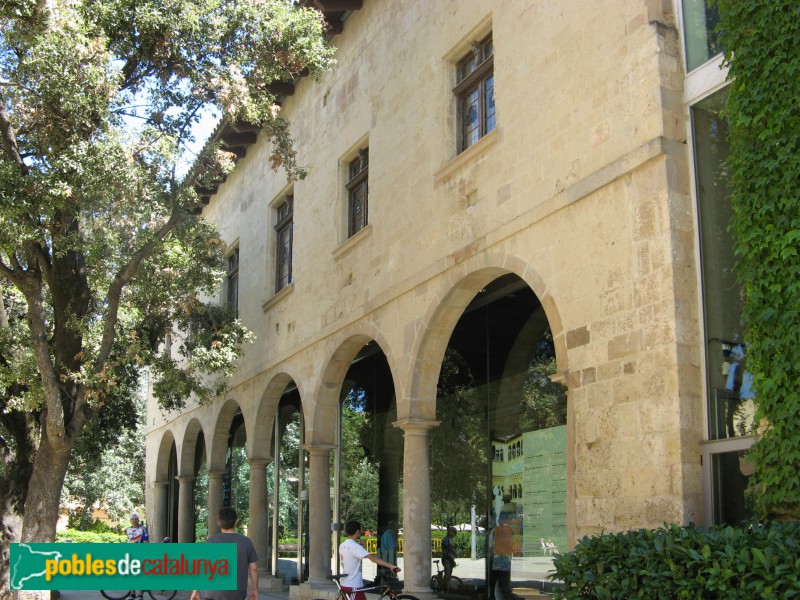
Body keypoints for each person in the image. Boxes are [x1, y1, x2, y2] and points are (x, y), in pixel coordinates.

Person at [191, 507, 258, 600]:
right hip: (237, 595)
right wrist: (254, 590)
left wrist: (195, 591)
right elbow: (253, 569)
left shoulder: (210, 542)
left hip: (213, 594)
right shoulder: (246, 542)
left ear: (219, 522)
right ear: (236, 522)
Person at [339, 520, 400, 600]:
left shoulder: (343, 545)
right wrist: (391, 566)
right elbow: (373, 559)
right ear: (357, 531)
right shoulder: (355, 547)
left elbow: (353, 555)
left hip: (345, 583)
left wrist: (362, 547)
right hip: (353, 585)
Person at [126, 513, 149, 600]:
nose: (134, 520)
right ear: (130, 520)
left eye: (136, 519)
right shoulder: (128, 530)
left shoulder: (142, 529)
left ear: (138, 520)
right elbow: (129, 541)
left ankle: (140, 595)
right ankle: (132, 594)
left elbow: (146, 542)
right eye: (132, 519)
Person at [441, 526, 458, 591]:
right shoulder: (446, 539)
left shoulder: (450, 539)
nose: (454, 534)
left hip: (450, 558)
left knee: (449, 574)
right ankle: (445, 587)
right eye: (454, 532)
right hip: (447, 558)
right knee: (447, 574)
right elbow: (447, 549)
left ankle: (447, 586)